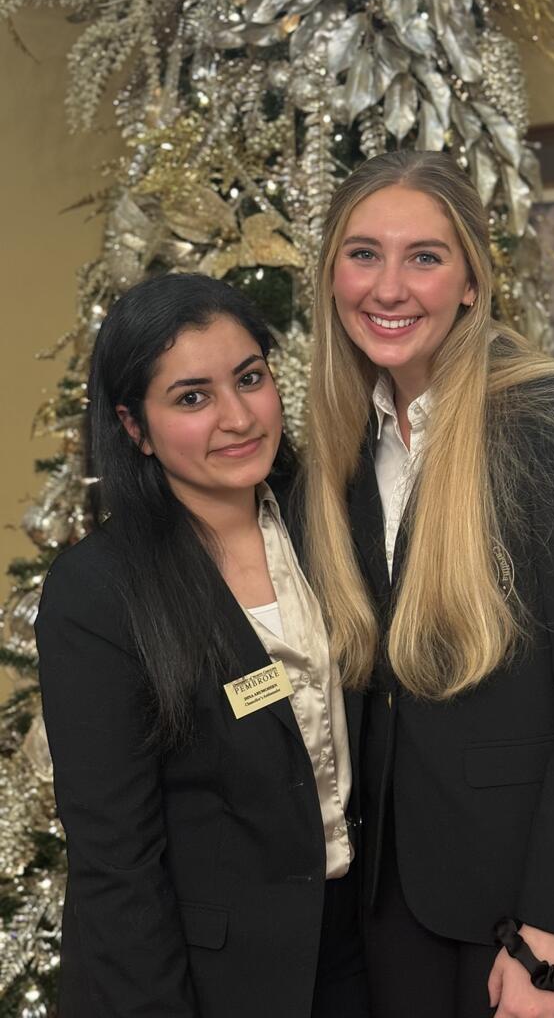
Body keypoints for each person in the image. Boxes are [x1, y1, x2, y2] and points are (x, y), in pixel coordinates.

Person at [302, 151, 554, 1018]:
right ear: (331, 276)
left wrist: (549, 948)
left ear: (469, 281)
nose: (389, 287)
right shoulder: (347, 438)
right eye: (362, 254)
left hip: (529, 908)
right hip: (394, 894)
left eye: (424, 256)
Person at [35, 274, 369, 1018]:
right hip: (205, 977)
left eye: (250, 379)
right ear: (134, 426)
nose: (238, 417)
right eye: (192, 397)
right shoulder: (97, 595)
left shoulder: (332, 531)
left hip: (354, 953)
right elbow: (116, 866)